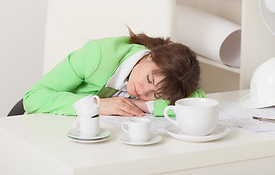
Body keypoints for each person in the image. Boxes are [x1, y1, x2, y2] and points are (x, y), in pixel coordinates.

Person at [23, 28, 204, 117]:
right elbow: (32, 98)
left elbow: (198, 101)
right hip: (46, 123)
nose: (143, 91)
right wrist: (98, 104)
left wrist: (139, 105)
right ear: (151, 56)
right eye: (149, 79)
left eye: (155, 94)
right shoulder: (97, 55)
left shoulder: (167, 80)